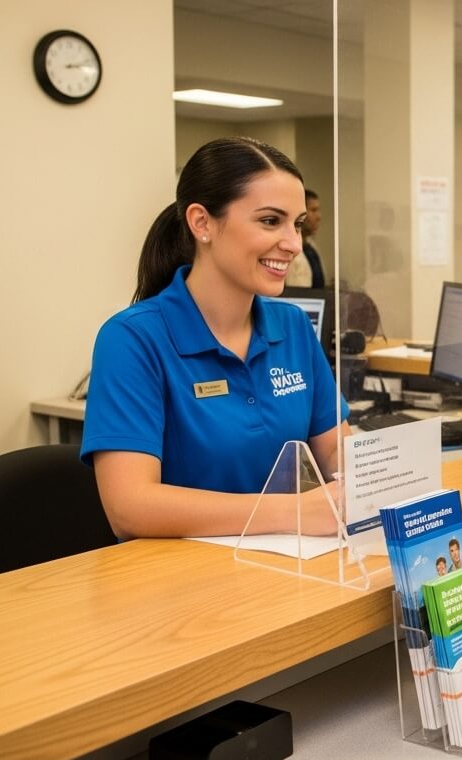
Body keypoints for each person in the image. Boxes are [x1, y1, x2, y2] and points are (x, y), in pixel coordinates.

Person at [81, 137, 349, 539]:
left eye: (295, 224)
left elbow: (333, 450)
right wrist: (292, 512)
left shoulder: (293, 326)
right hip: (179, 584)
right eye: (270, 221)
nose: (294, 244)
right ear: (202, 223)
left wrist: (379, 477)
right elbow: (130, 507)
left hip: (287, 571)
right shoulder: (132, 339)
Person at [285, 188, 326, 288]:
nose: (318, 217)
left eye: (318, 210)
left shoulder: (311, 248)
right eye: (313, 210)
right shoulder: (287, 249)